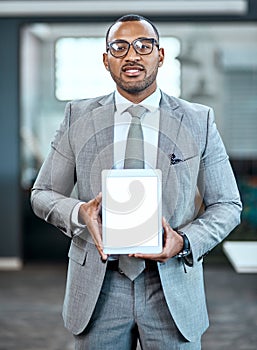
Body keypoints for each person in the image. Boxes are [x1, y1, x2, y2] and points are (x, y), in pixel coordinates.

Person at [31, 14, 242, 350]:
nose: (132, 55)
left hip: (172, 282)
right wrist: (79, 212)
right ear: (106, 59)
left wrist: (184, 241)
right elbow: (42, 194)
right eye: (120, 46)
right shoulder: (77, 116)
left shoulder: (198, 120)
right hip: (99, 288)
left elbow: (228, 205)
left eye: (144, 46)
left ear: (160, 55)